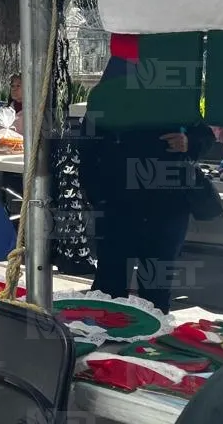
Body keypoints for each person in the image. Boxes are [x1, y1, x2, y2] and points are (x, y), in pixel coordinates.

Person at [80, 61, 215, 315]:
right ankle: (107, 332)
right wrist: (98, 197)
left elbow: (206, 137)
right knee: (111, 279)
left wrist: (188, 141)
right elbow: (86, 153)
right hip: (117, 205)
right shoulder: (104, 109)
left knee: (156, 282)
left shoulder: (174, 102)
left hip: (167, 205)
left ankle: (152, 340)